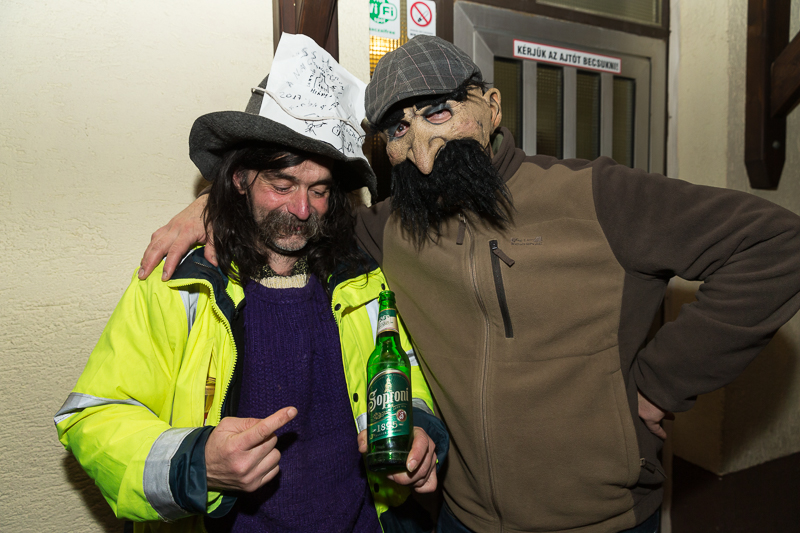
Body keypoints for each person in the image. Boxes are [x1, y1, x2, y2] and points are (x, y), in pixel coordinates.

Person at [138, 36, 800, 533]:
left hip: (602, 519)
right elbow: (296, 218)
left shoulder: (597, 195)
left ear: (491, 106)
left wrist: (660, 383)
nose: (424, 149)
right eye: (399, 129)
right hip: (460, 518)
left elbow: (777, 244)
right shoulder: (387, 229)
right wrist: (212, 205)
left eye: (438, 112)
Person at [55, 37, 447, 533]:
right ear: (240, 179)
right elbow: (93, 416)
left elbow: (403, 379)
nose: (301, 209)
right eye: (282, 185)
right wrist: (197, 463)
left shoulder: (363, 281)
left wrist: (419, 430)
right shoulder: (181, 284)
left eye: (319, 190)